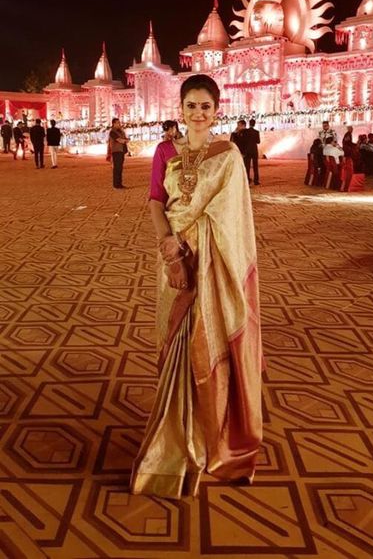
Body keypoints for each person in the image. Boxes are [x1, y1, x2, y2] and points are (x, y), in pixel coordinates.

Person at [130, 74, 262, 499]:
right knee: (175, 344)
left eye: (206, 106)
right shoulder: (165, 151)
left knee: (204, 345)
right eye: (191, 106)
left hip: (211, 264)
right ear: (181, 109)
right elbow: (155, 201)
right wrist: (169, 247)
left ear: (216, 110)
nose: (199, 113)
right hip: (172, 261)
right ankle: (174, 432)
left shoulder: (228, 156)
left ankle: (209, 438)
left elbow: (232, 218)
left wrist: (190, 244)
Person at [108, 118, 129, 188]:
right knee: (117, 168)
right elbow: (119, 140)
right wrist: (125, 140)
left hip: (121, 151)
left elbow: (124, 139)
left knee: (120, 168)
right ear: (113, 124)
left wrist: (125, 140)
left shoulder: (120, 131)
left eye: (119, 123)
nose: (119, 124)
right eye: (117, 123)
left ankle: (119, 183)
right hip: (116, 151)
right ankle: (116, 184)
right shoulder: (112, 132)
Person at [244, 118, 260, 185]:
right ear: (254, 124)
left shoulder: (246, 132)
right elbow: (258, 141)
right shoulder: (256, 132)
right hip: (254, 150)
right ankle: (256, 180)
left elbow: (243, 141)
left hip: (247, 150)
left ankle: (247, 180)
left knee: (247, 166)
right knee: (255, 166)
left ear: (249, 123)